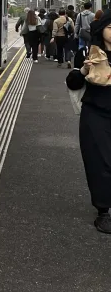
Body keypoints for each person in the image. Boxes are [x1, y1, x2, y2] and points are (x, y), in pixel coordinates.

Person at [66, 13, 111, 234]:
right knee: (100, 162)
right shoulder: (89, 52)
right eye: (110, 27)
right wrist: (83, 70)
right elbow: (72, 82)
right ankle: (103, 211)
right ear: (101, 28)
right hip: (96, 113)